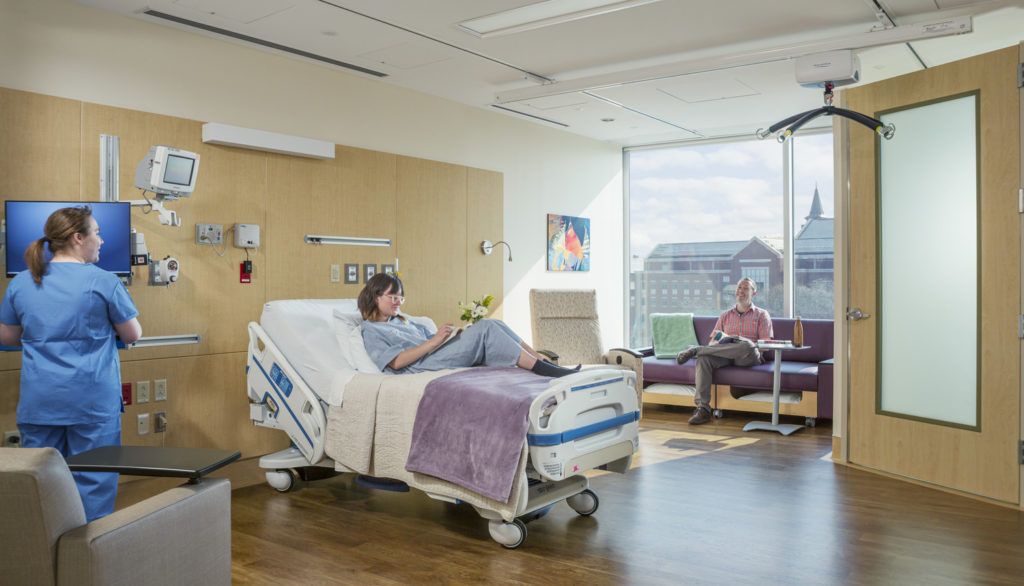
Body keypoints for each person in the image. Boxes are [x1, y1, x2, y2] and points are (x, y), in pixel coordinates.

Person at [0, 206, 141, 521]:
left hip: (40, 402)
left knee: (39, 483)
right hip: (91, 403)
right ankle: (86, 550)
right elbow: (132, 334)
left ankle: (42, 550)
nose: (101, 240)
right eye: (97, 233)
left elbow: (8, 336)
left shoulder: (22, 282)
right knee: (93, 482)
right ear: (78, 237)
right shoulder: (104, 281)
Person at [358, 273, 578, 377]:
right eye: (393, 297)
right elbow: (396, 362)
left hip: (435, 353)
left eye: (400, 298)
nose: (398, 302)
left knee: (493, 322)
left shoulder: (403, 321)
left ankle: (543, 361)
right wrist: (434, 342)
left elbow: (430, 339)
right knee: (486, 328)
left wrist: (448, 336)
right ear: (376, 297)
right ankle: (546, 370)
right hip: (421, 366)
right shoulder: (371, 330)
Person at [674, 277, 772, 425]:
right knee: (704, 359)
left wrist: (746, 343)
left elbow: (766, 345)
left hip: (748, 357)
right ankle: (703, 409)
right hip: (725, 356)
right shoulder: (725, 316)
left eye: (745, 288)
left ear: (754, 293)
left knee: (746, 345)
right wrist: (722, 342)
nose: (741, 291)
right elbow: (713, 343)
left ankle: (695, 349)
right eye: (739, 287)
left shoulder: (761, 315)